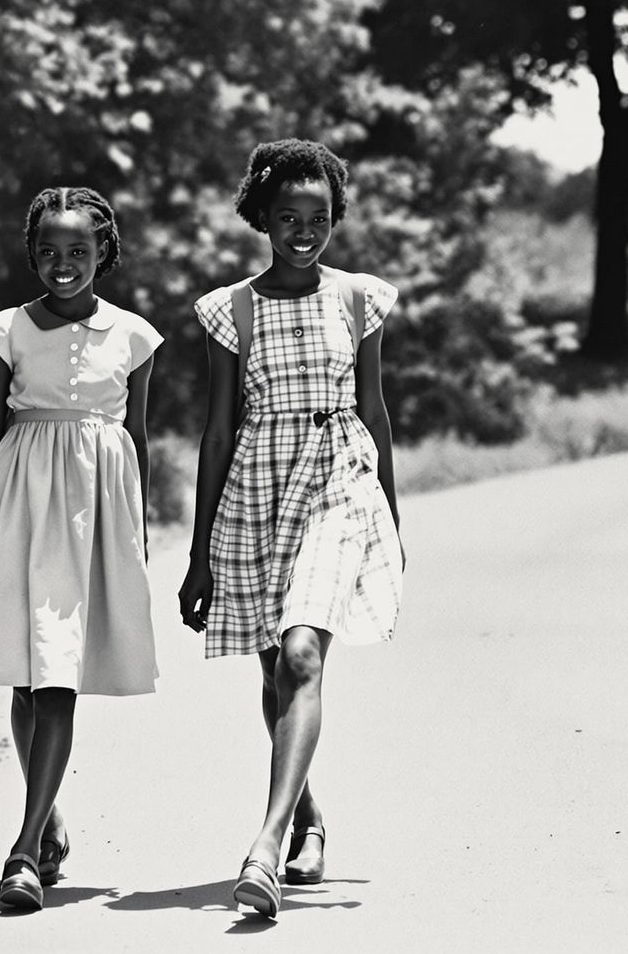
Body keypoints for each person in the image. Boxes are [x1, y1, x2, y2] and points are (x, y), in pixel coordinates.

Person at [178, 139, 404, 918]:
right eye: (287, 216)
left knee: (303, 651)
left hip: (340, 478)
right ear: (262, 218)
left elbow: (374, 413)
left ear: (335, 217)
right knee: (277, 670)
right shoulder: (229, 309)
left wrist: (392, 525)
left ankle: (265, 846)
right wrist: (201, 552)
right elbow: (216, 432)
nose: (304, 230)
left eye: (318, 216)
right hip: (258, 488)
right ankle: (309, 817)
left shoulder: (359, 298)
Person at [0, 185, 162, 911]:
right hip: (21, 502)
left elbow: (138, 440)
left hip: (94, 512)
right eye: (49, 252)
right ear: (32, 254)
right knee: (29, 678)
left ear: (105, 253)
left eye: (79, 251)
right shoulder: (4, 330)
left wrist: (137, 535)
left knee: (59, 674)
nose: (64, 264)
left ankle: (24, 849)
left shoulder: (135, 337)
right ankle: (48, 810)